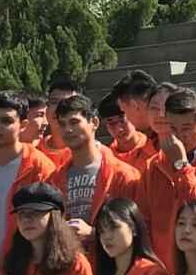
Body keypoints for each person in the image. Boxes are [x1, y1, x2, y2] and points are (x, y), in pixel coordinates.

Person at [0, 90, 63, 264]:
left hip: (27, 267)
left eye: (6, 121)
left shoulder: (41, 168)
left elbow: (55, 225)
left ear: (23, 125)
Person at [51, 93, 140, 238]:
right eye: (62, 124)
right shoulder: (54, 179)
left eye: (74, 122)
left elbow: (137, 230)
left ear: (94, 122)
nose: (68, 130)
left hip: (107, 252)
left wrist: (93, 233)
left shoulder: (124, 175)